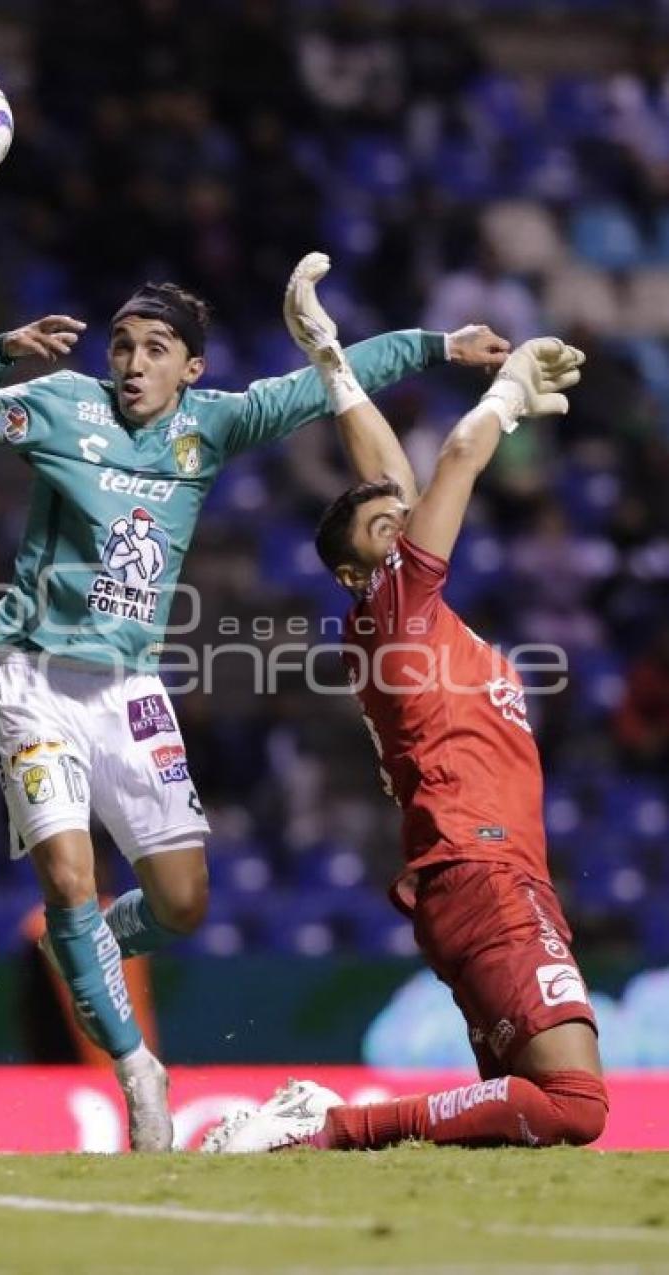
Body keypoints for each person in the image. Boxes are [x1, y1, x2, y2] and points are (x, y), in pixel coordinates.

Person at [0, 278, 509, 1151]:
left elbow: (323, 380)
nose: (131, 363)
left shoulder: (214, 424)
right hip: (36, 680)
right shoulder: (60, 406)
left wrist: (437, 345)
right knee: (70, 883)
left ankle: (80, 952)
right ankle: (137, 1071)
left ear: (191, 368)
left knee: (183, 902)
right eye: (122, 345)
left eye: (155, 349)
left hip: (131, 690)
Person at [205, 255, 607, 1155]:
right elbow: (458, 454)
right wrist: (505, 394)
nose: (408, 524)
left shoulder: (407, 617)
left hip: (483, 876)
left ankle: (339, 1132)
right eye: (388, 531)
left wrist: (333, 361)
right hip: (483, 870)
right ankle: (332, 1126)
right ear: (356, 573)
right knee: (575, 1104)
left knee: (523, 1108)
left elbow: (390, 482)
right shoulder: (394, 609)